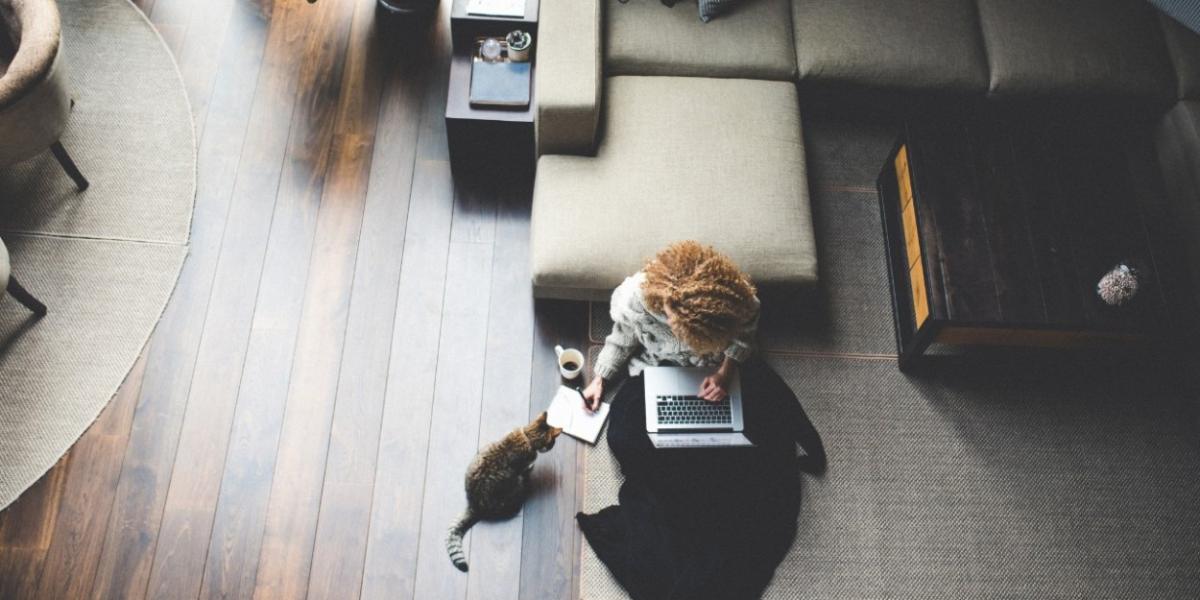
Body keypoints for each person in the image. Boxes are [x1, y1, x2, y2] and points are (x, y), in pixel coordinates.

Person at [576, 241, 826, 600]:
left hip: (712, 378)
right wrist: (600, 377)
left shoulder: (739, 301)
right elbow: (622, 339)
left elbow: (743, 338)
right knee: (626, 438)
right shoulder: (636, 297)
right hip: (653, 374)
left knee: (739, 450)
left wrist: (725, 372)